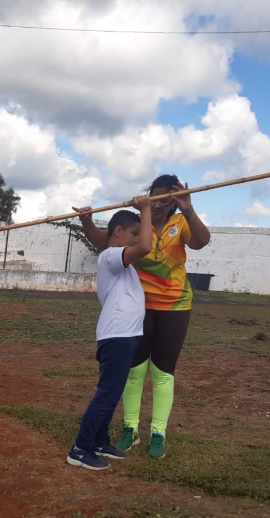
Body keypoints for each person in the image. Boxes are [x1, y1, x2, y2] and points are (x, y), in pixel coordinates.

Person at [74, 174, 210, 459]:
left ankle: (158, 432)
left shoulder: (180, 222)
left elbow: (201, 241)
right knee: (133, 372)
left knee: (163, 372)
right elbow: (107, 240)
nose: (157, 204)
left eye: (164, 199)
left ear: (172, 200)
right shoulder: (137, 221)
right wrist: (88, 222)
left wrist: (188, 209)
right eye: (154, 197)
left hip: (175, 305)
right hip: (138, 310)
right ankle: (129, 429)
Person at [67, 196, 152, 471]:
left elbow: (137, 242)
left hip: (124, 334)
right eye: (133, 233)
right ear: (118, 232)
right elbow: (146, 246)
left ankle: (99, 441)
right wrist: (147, 209)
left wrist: (86, 221)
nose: (137, 238)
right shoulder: (112, 256)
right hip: (117, 335)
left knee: (112, 393)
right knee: (106, 394)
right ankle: (80, 448)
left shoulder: (115, 258)